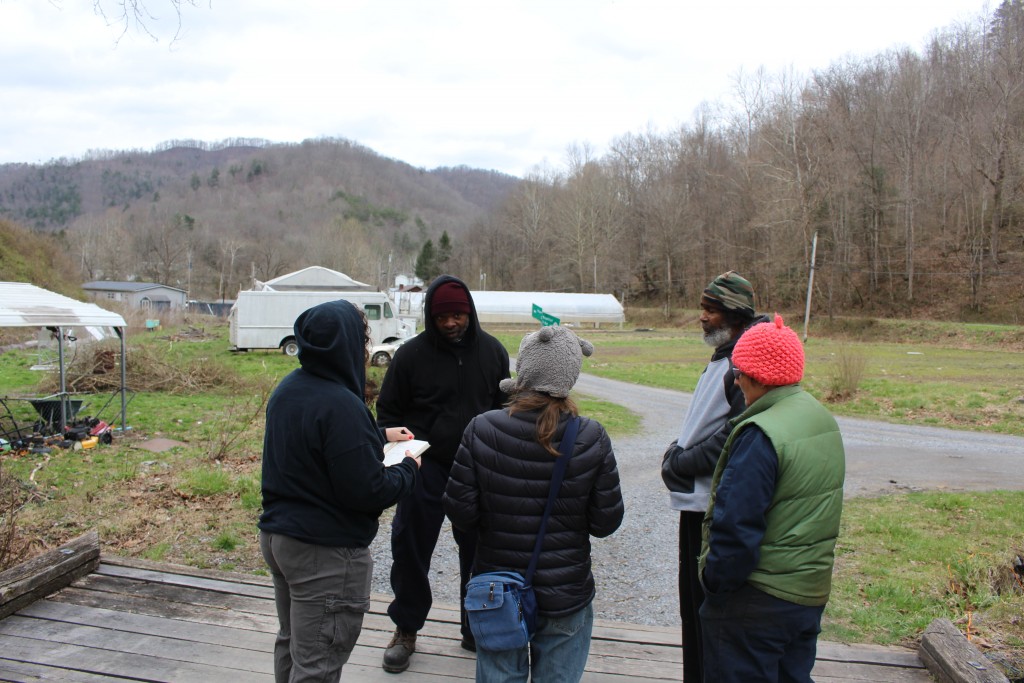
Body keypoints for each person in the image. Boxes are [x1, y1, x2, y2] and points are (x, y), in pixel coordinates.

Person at [444, 324, 625, 682]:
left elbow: (460, 512)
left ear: (524, 368)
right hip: (566, 592)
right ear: (571, 373)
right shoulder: (591, 436)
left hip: (497, 587)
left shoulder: (482, 428)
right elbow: (605, 523)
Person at [258, 300, 421, 683]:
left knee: (293, 644)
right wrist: (408, 468)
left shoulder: (290, 389)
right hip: (324, 554)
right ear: (348, 345)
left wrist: (378, 436)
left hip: (280, 539)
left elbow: (317, 446)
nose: (365, 351)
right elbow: (368, 490)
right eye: (362, 342)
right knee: (318, 665)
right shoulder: (341, 404)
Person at [698, 315, 846, 683]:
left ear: (757, 377)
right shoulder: (820, 418)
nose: (735, 379)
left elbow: (736, 526)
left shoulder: (760, 434)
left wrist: (715, 588)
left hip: (756, 602)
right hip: (807, 595)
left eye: (739, 372)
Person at [377, 274, 511, 673]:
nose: (450, 323)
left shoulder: (492, 353)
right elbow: (388, 412)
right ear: (429, 318)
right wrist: (401, 449)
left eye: (457, 314)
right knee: (410, 546)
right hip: (424, 466)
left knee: (481, 551)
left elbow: (506, 410)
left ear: (469, 311)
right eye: (441, 317)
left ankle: (476, 628)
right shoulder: (410, 356)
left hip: (477, 468)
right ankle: (406, 628)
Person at [660, 270, 764, 682]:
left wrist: (679, 463)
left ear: (735, 315)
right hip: (696, 502)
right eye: (702, 308)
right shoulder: (725, 354)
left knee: (706, 610)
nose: (702, 317)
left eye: (712, 310)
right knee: (692, 609)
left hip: (711, 508)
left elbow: (732, 435)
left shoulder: (743, 362)